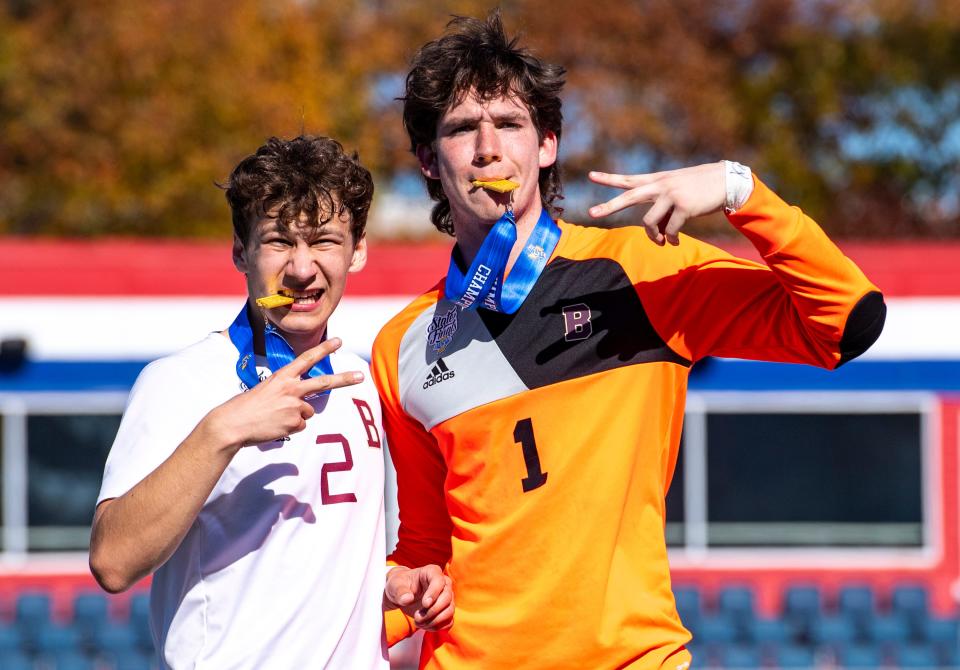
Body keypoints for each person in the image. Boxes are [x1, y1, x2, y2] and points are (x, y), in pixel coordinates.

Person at [370, 12, 885, 670]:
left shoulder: (644, 271)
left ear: (547, 144)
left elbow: (847, 321)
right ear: (429, 161)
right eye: (462, 129)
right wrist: (402, 591)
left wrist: (739, 189)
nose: (487, 148)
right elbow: (423, 548)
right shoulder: (403, 345)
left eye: (509, 124)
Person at [90, 135, 453, 670]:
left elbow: (308, 560)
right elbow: (113, 563)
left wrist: (391, 581)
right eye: (279, 241)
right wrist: (222, 431)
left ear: (358, 251)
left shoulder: (369, 383)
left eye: (325, 241)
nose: (302, 269)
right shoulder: (181, 381)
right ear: (241, 251)